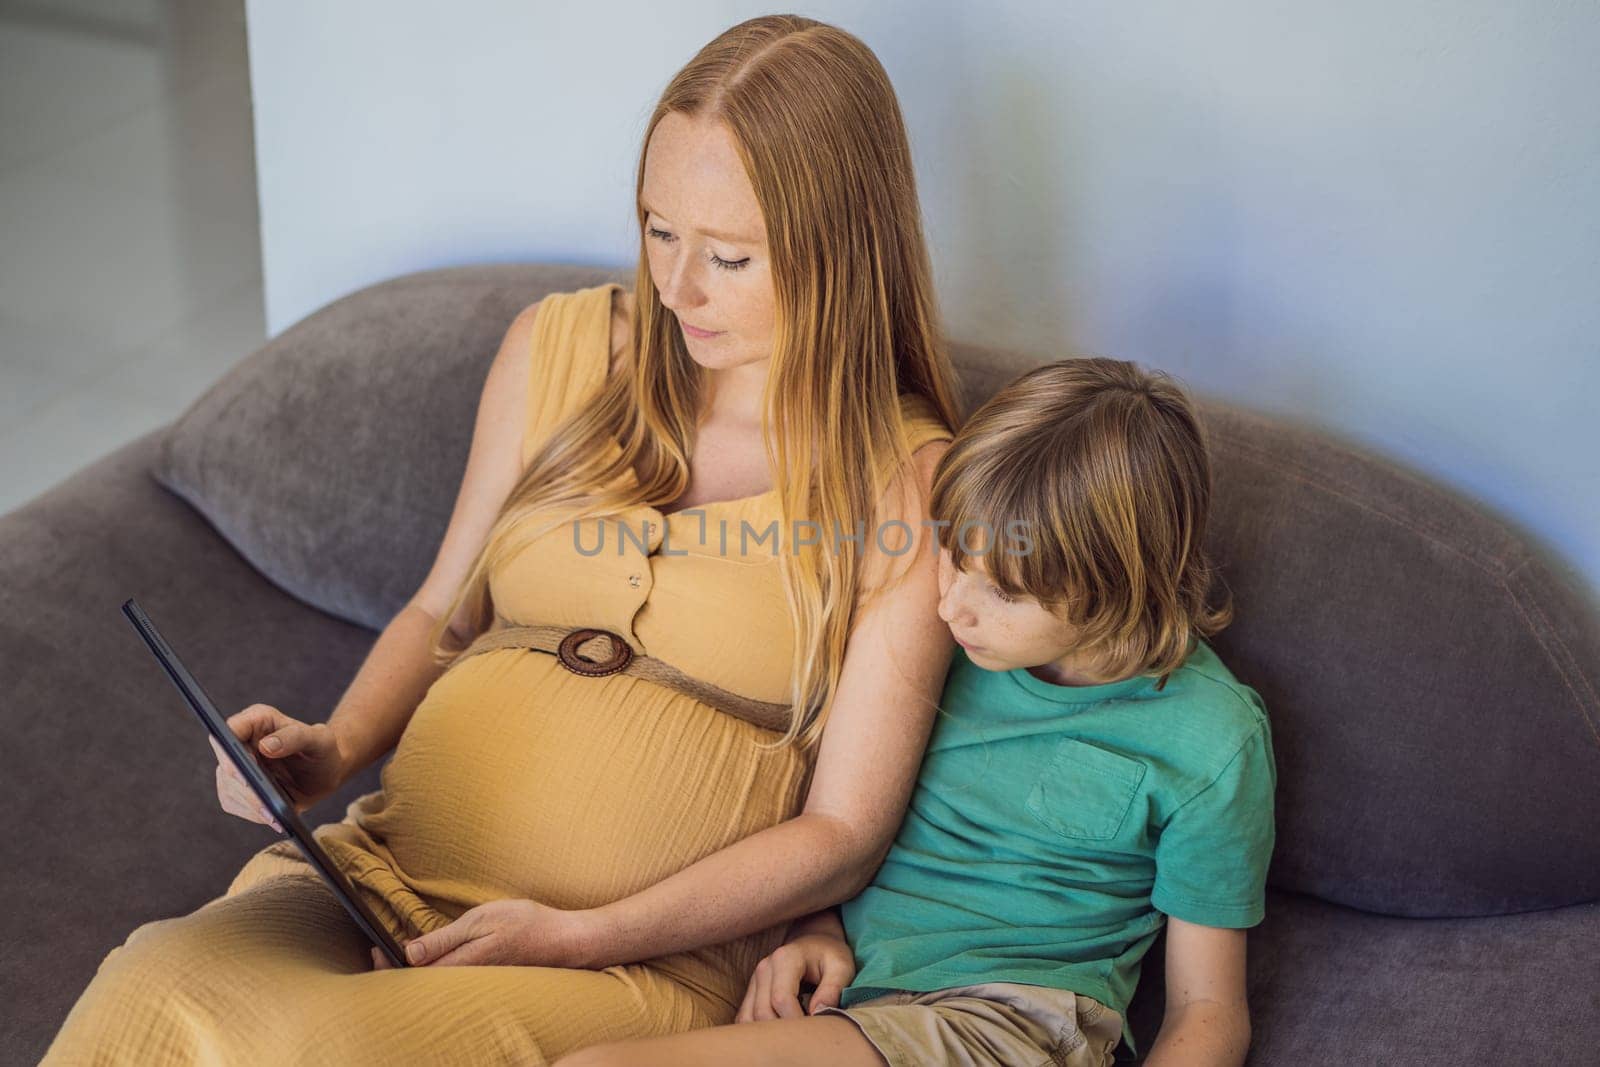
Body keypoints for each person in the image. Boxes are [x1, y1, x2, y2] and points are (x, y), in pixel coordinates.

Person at [42, 14, 966, 1064]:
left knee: (321, 1045)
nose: (679, 286)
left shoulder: (909, 481)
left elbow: (843, 831)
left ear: (842, 246)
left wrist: (578, 934)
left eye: (731, 255)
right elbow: (442, 610)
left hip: (631, 960)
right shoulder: (559, 349)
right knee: (156, 978)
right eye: (659, 229)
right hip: (380, 878)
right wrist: (335, 746)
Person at [557, 358, 1278, 1067]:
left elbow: (1208, 1010)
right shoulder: (943, 646)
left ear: (1121, 585)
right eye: (953, 556)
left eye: (1003, 590)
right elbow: (844, 817)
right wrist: (817, 926)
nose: (950, 603)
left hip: (1009, 1023)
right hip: (857, 1006)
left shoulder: (1213, 739)